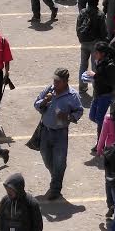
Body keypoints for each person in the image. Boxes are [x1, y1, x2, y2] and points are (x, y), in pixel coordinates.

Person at [34, 68, 84, 200]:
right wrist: (45, 101)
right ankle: (56, 176)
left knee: (60, 161)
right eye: (54, 81)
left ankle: (55, 188)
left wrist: (67, 116)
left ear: (65, 82)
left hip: (60, 133)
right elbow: (36, 104)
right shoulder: (49, 90)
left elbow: (79, 112)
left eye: (57, 81)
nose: (54, 84)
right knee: (46, 157)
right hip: (45, 130)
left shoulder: (73, 96)